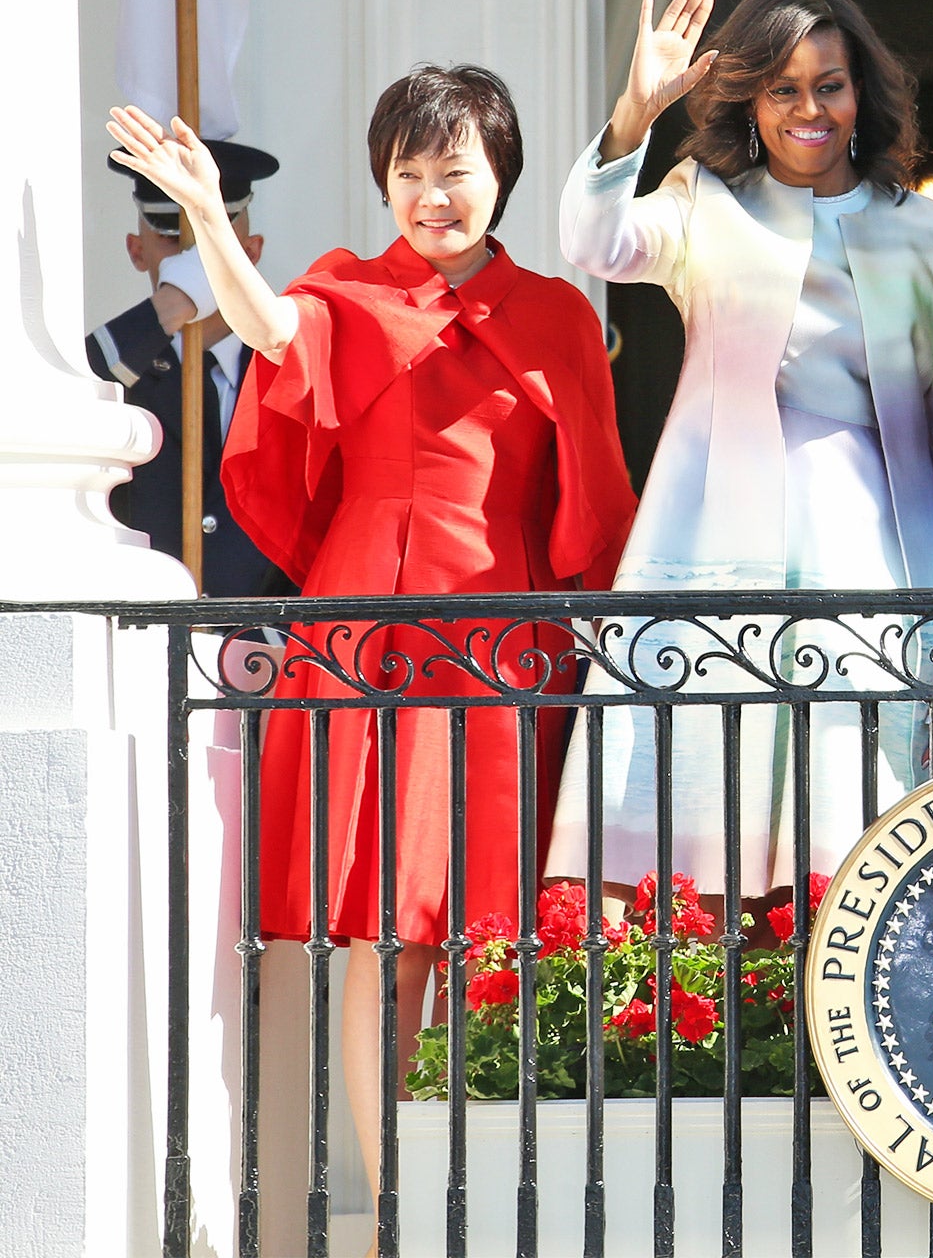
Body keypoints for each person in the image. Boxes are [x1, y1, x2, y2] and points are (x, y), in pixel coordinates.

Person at [106, 66, 638, 1198]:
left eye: (455, 171)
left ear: (501, 176)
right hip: (365, 630)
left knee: (493, 930)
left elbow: (592, 500)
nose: (431, 196)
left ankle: (488, 1191)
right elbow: (267, 325)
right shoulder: (344, 290)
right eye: (409, 174)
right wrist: (205, 213)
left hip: (505, 638)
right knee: (378, 929)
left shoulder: (556, 315)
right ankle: (396, 1192)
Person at [545, 0, 933, 907]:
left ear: (860, 92)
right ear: (751, 100)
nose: (809, 109)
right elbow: (592, 241)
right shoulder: (702, 201)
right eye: (783, 89)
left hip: (871, 562)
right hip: (712, 549)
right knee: (704, 862)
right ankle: (709, 1047)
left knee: (856, 860)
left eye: (828, 85)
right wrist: (638, 108)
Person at [89, 140, 288, 595]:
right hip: (144, 643)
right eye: (171, 239)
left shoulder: (287, 364)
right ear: (137, 252)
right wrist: (169, 305)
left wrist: (276, 638)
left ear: (251, 251)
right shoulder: (119, 367)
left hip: (262, 649)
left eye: (210, 242)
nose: (192, 259)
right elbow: (63, 401)